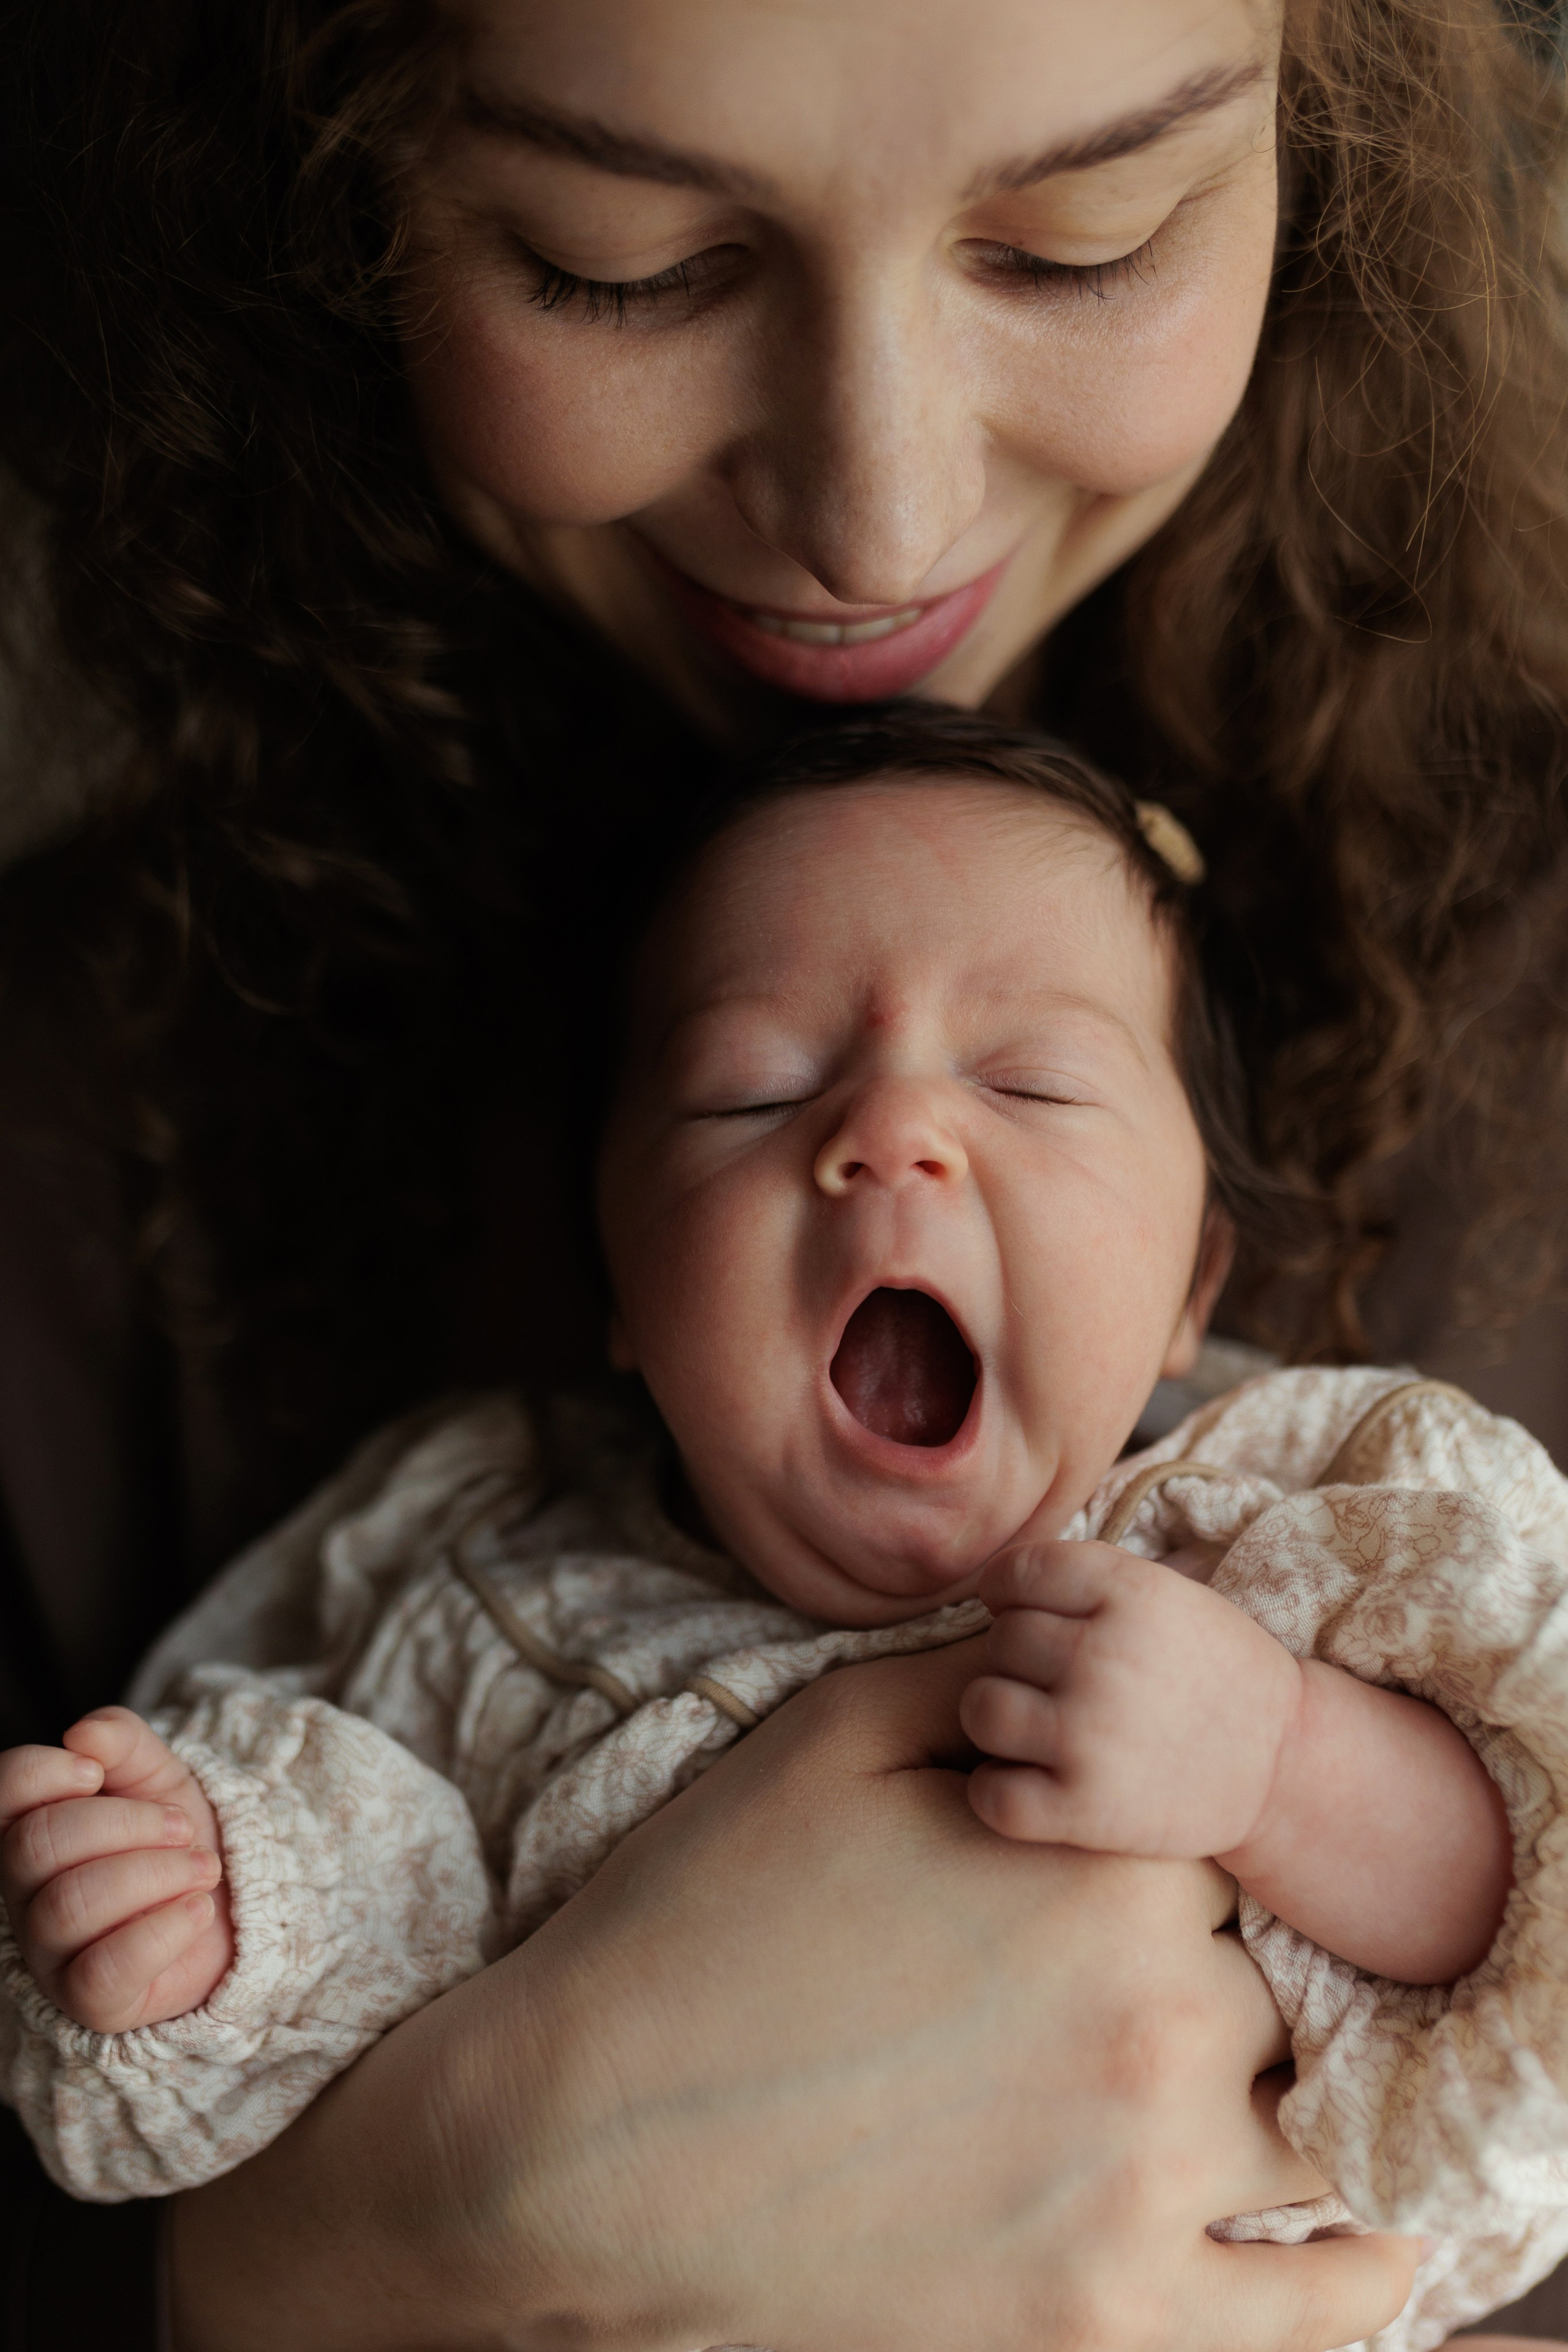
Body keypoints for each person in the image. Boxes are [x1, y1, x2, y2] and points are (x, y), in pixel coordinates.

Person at [1, 0, 1566, 2345]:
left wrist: (1279, 1765)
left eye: (1086, 240)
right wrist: (381, 2237)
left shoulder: (1326, 1506)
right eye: (619, 266)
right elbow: (269, 1873)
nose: (881, 518)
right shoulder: (142, 1211)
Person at [1, 717, 1563, 2352]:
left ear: (1194, 1286)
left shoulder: (1288, 1554)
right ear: (615, 1288)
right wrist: (211, 1915)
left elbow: (1529, 1890)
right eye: (753, 1093)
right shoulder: (494, 1592)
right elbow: (372, 1887)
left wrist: (1283, 1762)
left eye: (1029, 1077)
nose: (891, 1134)